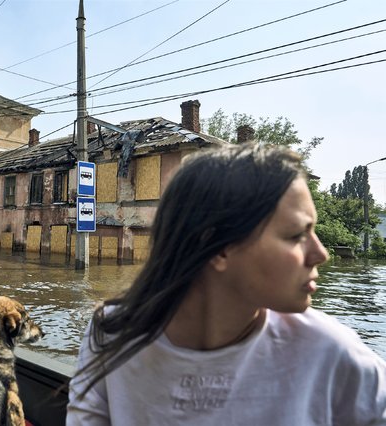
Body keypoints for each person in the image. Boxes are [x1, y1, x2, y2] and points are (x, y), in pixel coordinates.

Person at [67, 143, 386, 425]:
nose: (321, 253)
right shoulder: (111, 334)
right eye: (295, 235)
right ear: (219, 247)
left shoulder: (332, 352)